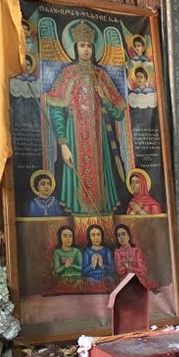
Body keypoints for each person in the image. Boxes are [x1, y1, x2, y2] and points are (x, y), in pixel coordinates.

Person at [45, 20, 127, 215]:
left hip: (100, 142)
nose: (86, 50)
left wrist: (105, 97)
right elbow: (56, 110)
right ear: (75, 47)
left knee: (102, 192)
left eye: (89, 45)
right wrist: (63, 143)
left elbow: (118, 112)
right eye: (82, 45)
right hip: (74, 137)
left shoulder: (102, 76)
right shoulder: (67, 74)